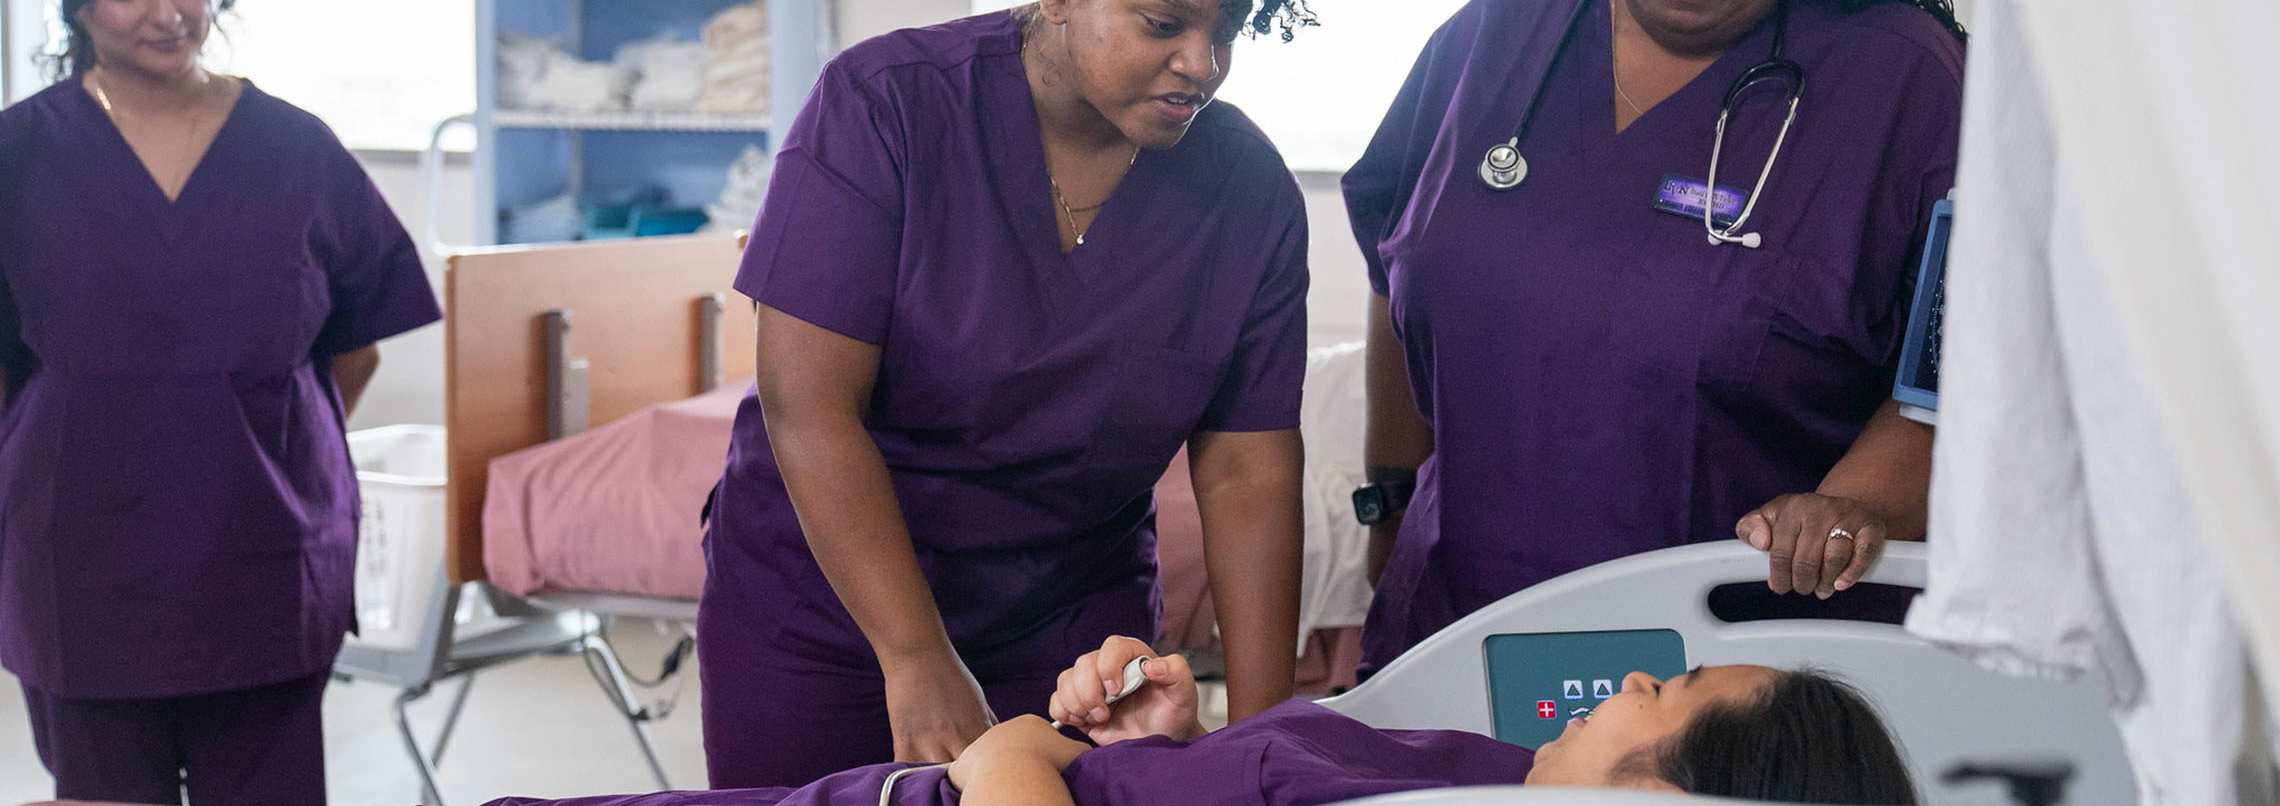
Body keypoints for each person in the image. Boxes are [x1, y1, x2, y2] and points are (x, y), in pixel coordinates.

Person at [698, 0, 1315, 787]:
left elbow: (1248, 470)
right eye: (1164, 23)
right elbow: (809, 407)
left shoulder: (1244, 192)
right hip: (829, 612)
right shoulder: (886, 108)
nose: (1203, 64)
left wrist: (1266, 739)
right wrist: (914, 655)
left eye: (1227, 29)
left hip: (1074, 639)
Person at [1344, 0, 1964, 674]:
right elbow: (1395, 268)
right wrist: (1384, 503)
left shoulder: (1900, 82)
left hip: (1738, 666)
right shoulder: (1497, 37)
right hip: (1453, 631)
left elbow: (1966, 359)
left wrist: (1857, 504)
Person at [0, 0, 442, 804]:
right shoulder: (19, 156)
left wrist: (249, 433)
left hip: (263, 558)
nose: (166, 12)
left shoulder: (294, 148)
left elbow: (353, 346)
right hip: (83, 561)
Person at [479, 635, 1921, 805]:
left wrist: (1019, 755)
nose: (1629, 681)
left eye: (1660, 695)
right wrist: (1178, 738)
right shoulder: (1491, 772)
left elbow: (1005, 764)